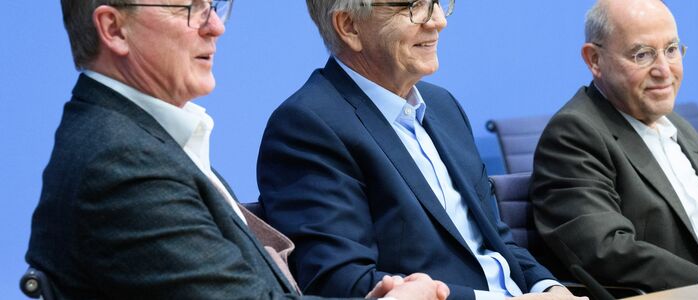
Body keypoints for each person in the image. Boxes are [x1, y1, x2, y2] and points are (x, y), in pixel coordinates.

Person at [26, 1, 449, 299]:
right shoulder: (119, 166)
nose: (215, 26)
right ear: (114, 29)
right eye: (187, 7)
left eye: (212, 4)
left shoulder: (144, 141)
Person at [256, 1, 586, 300]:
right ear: (349, 26)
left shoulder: (443, 106)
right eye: (412, 6)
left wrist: (548, 287)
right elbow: (342, 283)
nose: (438, 21)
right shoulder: (307, 126)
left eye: (438, 2)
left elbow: (498, 242)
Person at [530, 0, 698, 293]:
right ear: (594, 60)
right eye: (642, 54)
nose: (664, 71)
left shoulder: (676, 124)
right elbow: (606, 249)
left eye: (671, 50)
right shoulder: (574, 134)